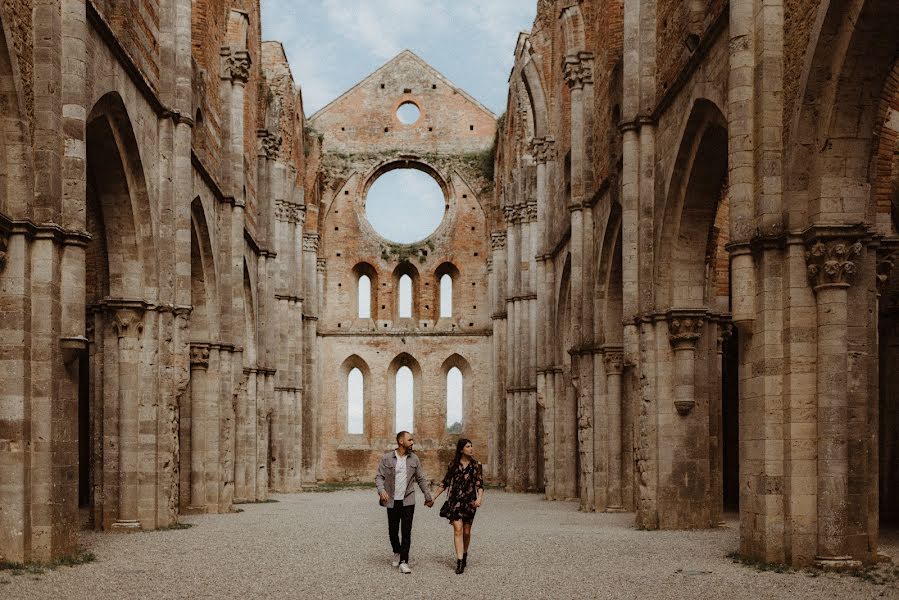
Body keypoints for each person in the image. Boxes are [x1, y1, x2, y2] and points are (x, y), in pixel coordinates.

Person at [374, 431, 433, 574]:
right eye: (410, 440)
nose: (412, 442)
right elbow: (379, 477)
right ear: (401, 441)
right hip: (392, 501)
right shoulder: (387, 458)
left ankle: (404, 561)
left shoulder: (414, 459)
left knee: (406, 532)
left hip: (408, 500)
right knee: (393, 531)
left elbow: (421, 479)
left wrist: (428, 496)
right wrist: (381, 491)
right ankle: (397, 551)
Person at [431, 438, 484, 574]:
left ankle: (465, 553)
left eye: (471, 446)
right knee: (458, 530)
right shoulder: (453, 465)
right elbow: (445, 483)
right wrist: (433, 497)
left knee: (466, 532)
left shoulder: (477, 465)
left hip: (470, 502)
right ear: (461, 450)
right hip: (455, 502)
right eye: (468, 446)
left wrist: (479, 498)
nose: (471, 448)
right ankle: (459, 561)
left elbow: (479, 484)